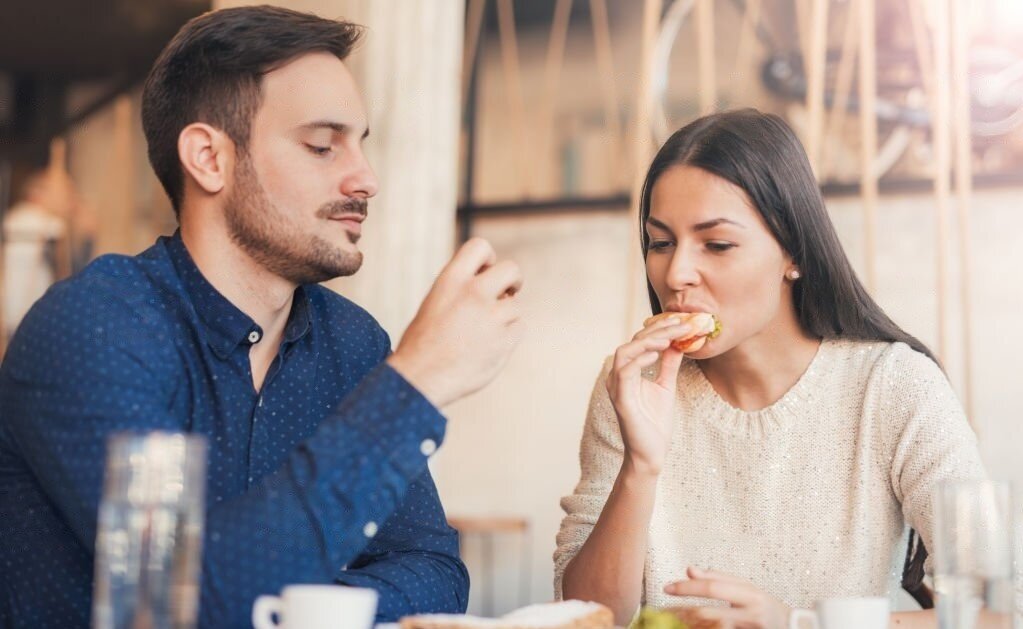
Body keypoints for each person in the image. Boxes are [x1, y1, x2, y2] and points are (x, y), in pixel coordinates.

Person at [0, 6, 522, 628]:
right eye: (322, 146)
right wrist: (416, 385)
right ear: (209, 158)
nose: (367, 178)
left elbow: (433, 571)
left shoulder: (352, 343)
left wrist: (297, 598)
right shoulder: (94, 328)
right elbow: (186, 603)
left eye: (361, 145)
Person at [553, 109, 992, 628]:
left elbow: (996, 611)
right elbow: (584, 617)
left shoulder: (893, 387)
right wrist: (639, 467)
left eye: (716, 244)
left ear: (793, 253)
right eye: (661, 243)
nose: (676, 274)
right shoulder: (631, 389)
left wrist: (799, 625)